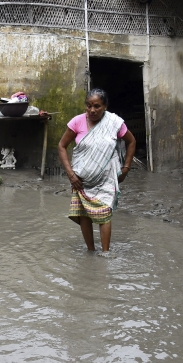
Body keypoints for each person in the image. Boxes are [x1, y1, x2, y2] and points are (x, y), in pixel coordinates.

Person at [57, 88, 137, 253]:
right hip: (80, 180)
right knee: (84, 214)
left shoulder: (114, 122)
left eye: (97, 106)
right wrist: (71, 174)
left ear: (105, 106)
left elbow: (131, 141)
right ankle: (91, 251)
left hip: (106, 178)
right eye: (88, 106)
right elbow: (61, 146)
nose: (92, 110)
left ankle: (105, 254)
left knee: (104, 213)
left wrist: (126, 168)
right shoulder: (77, 122)